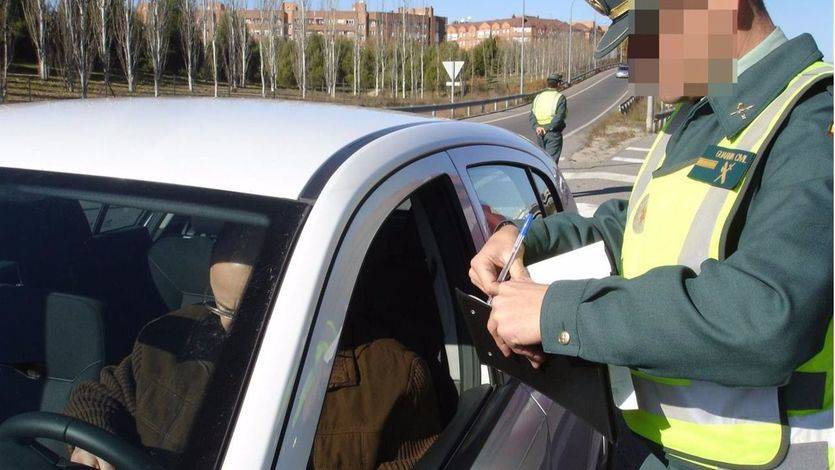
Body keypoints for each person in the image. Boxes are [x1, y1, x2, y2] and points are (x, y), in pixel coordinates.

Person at [470, 1, 833, 469]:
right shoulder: (696, 118)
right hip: (649, 440)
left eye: (649, 34)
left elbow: (768, 317)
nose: (636, 61)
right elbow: (631, 229)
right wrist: (523, 239)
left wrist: (556, 312)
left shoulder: (811, 118)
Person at [64, 223, 441, 469]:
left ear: (304, 292)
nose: (225, 324)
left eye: (242, 311)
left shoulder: (390, 378)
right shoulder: (169, 339)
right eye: (217, 304)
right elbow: (99, 395)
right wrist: (95, 441)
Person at [529, 73, 567, 165]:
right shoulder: (560, 97)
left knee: (542, 162)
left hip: (540, 134)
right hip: (552, 134)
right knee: (551, 164)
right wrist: (547, 128)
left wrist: (537, 127)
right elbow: (559, 117)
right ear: (558, 84)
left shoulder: (538, 97)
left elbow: (532, 115)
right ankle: (550, 179)